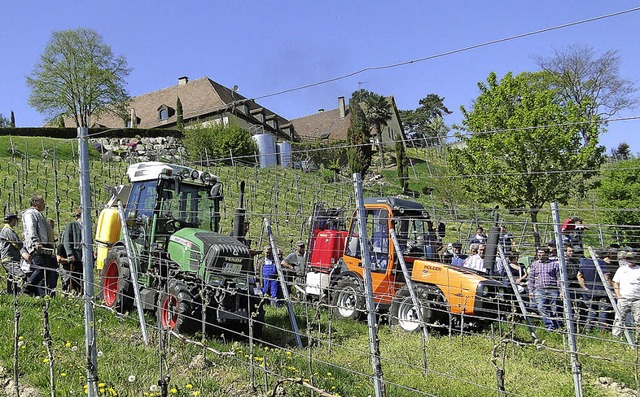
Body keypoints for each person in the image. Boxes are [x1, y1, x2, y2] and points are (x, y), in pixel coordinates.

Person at [22, 194, 57, 297]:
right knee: (41, 268)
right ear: (36, 203)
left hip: (44, 246)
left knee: (48, 270)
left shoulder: (38, 213)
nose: (44, 204)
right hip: (37, 246)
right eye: (42, 202)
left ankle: (44, 295)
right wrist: (36, 242)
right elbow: (31, 228)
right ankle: (27, 288)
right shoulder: (30, 213)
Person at [577, 252, 611, 332]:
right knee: (602, 311)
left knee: (592, 310)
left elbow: (579, 275)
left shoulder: (585, 263)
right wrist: (610, 289)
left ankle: (589, 329)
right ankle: (601, 331)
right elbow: (607, 277)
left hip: (590, 291)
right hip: (602, 291)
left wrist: (584, 287)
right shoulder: (602, 263)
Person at [528, 247, 561, 330]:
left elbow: (559, 278)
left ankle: (557, 325)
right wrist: (530, 291)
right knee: (541, 308)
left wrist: (561, 291)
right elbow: (531, 278)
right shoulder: (534, 264)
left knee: (554, 309)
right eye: (538, 252)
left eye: (541, 253)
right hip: (539, 289)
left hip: (552, 289)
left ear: (547, 254)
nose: (539, 254)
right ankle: (550, 326)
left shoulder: (554, 264)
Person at [612, 252, 640, 338]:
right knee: (619, 318)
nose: (629, 260)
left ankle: (637, 338)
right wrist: (618, 295)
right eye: (628, 258)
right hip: (623, 298)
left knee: (638, 320)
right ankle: (616, 338)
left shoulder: (639, 269)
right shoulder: (621, 270)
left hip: (637, 299)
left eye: (631, 258)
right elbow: (616, 283)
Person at [0, 213, 28, 294]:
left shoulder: (6, 230)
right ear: (12, 220)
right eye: (15, 220)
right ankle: (22, 293)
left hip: (9, 258)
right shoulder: (8, 230)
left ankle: (12, 294)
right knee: (20, 276)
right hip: (9, 259)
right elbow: (17, 244)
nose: (16, 222)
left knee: (11, 278)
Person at [61, 207, 83, 294]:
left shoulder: (86, 227)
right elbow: (67, 241)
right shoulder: (71, 225)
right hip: (76, 257)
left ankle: (82, 293)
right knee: (74, 277)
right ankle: (74, 293)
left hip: (84, 258)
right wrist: (70, 254)